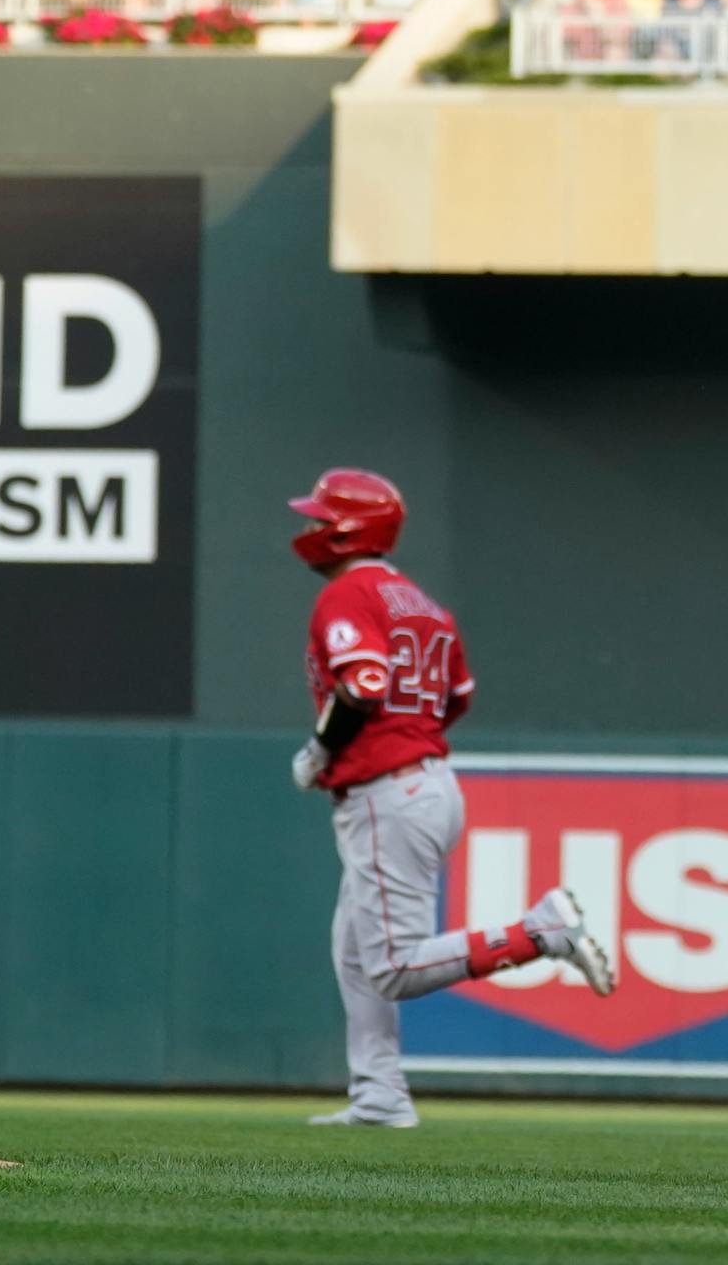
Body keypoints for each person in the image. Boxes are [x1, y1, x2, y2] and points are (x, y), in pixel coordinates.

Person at [288, 469, 615, 1129]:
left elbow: (366, 682)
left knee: (392, 967)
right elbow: (456, 697)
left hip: (387, 790)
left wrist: (323, 751)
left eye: (324, 516)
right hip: (427, 782)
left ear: (351, 528)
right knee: (352, 948)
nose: (313, 526)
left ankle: (538, 933)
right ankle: (379, 1096)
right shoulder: (422, 602)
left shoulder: (350, 594)